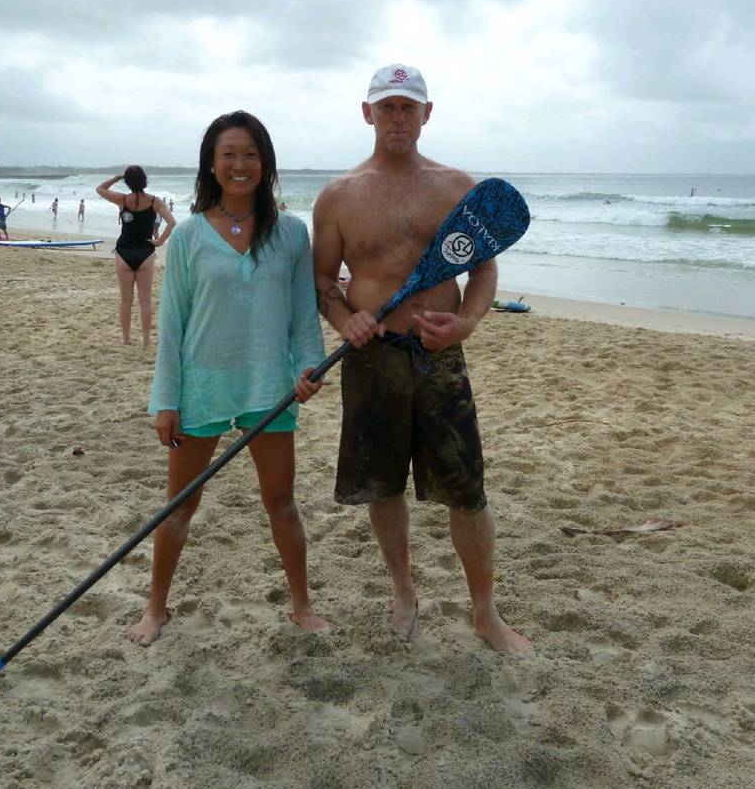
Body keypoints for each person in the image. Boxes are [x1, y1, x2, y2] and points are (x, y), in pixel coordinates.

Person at [311, 64, 532, 655]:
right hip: (372, 359)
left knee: (467, 491)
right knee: (383, 488)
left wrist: (467, 321)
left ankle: (485, 612)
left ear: (427, 114)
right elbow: (324, 282)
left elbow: (483, 266)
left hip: (441, 359)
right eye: (387, 107)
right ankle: (404, 591)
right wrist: (343, 318)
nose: (398, 118)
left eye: (409, 107)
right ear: (367, 113)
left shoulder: (457, 186)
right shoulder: (339, 196)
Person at [134, 111, 328, 645]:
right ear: (212, 165)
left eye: (250, 154)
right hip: (201, 387)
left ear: (265, 164)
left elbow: (302, 315)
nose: (240, 165)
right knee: (179, 506)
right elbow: (172, 326)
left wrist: (309, 368)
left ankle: (302, 606)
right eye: (229, 154)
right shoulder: (191, 235)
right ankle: (156, 609)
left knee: (282, 502)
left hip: (270, 384)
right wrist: (165, 400)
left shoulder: (290, 233)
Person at [96, 167, 176, 347]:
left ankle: (126, 339)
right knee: (145, 299)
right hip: (146, 252)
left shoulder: (122, 199)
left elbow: (100, 189)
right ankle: (147, 339)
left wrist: (117, 178)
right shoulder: (155, 201)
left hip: (123, 252)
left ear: (128, 182)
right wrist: (160, 241)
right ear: (144, 180)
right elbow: (172, 222)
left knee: (126, 299)